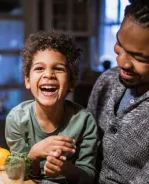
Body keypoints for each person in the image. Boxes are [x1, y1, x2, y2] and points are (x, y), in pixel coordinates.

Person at [5, 30, 97, 184]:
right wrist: (34, 154)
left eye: (59, 68)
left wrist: (65, 168)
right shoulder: (16, 118)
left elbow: (88, 177)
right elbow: (14, 173)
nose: (49, 74)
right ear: (27, 80)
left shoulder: (85, 121)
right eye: (39, 68)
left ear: (72, 82)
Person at [87, 0, 149, 183]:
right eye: (119, 44)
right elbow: (84, 142)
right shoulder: (106, 81)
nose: (122, 62)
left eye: (139, 57)